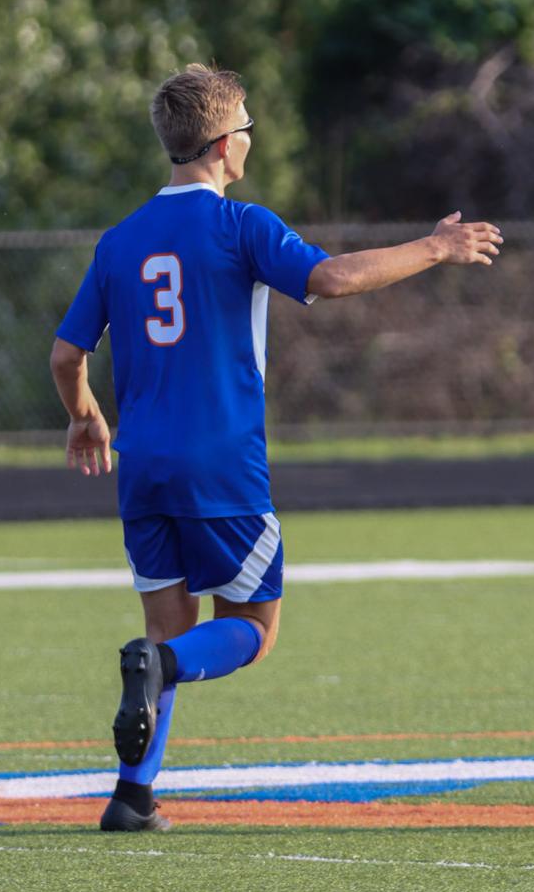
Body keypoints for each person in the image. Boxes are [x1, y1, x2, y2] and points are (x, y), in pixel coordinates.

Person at [51, 64, 503, 832]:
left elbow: (67, 357)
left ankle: (131, 797)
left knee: (167, 623)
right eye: (249, 130)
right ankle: (160, 672)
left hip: (143, 467)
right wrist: (435, 248)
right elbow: (328, 277)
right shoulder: (241, 225)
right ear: (226, 146)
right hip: (222, 464)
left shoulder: (119, 239)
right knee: (251, 633)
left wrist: (84, 415)